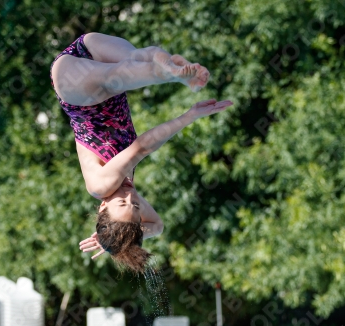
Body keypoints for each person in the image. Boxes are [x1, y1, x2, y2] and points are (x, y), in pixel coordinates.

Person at [50, 33, 232, 273]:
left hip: (76, 89)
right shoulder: (126, 197)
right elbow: (157, 226)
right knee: (137, 58)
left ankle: (170, 75)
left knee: (111, 78)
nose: (131, 198)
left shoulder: (101, 186)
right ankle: (168, 66)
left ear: (103, 209)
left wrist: (189, 116)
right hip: (93, 54)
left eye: (123, 203)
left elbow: (143, 146)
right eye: (136, 207)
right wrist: (120, 239)